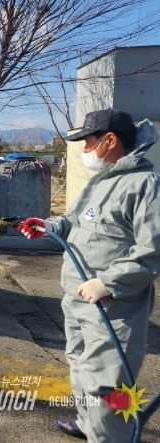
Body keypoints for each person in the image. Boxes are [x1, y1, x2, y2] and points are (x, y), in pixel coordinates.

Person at [19, 109, 160, 442]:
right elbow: (79, 221)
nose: (84, 150)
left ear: (109, 140)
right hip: (80, 302)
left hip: (113, 308)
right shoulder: (103, 181)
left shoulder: (144, 185)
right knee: (81, 367)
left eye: (87, 142)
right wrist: (52, 226)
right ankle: (88, 423)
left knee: (108, 385)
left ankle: (111, 436)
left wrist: (108, 282)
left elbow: (152, 249)